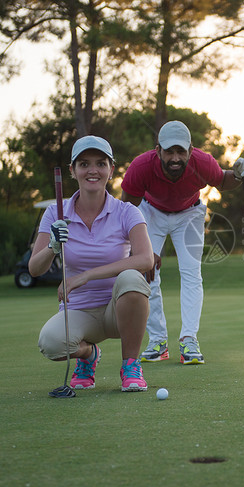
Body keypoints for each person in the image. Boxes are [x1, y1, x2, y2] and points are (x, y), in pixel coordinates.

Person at [121, 120, 244, 365]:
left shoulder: (203, 162)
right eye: (169, 151)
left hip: (189, 214)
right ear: (157, 149)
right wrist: (140, 249)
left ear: (191, 150)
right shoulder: (141, 166)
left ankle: (189, 339)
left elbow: (224, 181)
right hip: (150, 212)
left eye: (180, 151)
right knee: (146, 274)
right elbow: (127, 208)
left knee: (191, 273)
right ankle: (158, 341)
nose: (175, 158)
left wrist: (239, 173)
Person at [30, 135, 155, 391]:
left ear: (111, 169)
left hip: (117, 310)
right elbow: (35, 269)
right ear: (73, 171)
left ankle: (131, 365)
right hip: (80, 311)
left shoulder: (127, 212)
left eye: (100, 163)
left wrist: (85, 276)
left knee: (132, 277)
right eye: (84, 164)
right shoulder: (55, 212)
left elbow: (145, 259)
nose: (92, 170)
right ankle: (88, 356)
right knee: (51, 343)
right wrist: (52, 248)